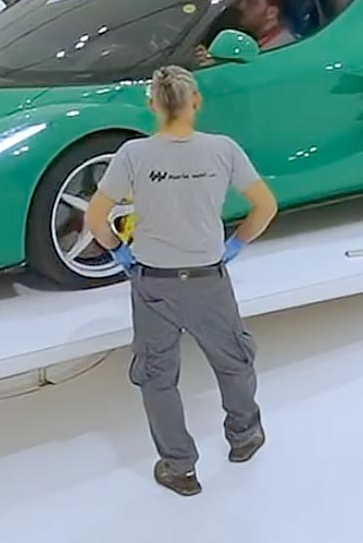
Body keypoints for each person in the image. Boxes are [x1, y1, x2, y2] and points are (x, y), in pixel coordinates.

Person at [85, 66, 279, 496]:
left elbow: (96, 218)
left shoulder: (134, 155)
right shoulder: (223, 149)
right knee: (233, 360)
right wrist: (236, 243)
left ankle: (179, 467)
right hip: (209, 279)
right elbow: (265, 207)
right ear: (196, 102)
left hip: (153, 283)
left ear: (152, 105)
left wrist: (118, 251)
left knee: (157, 376)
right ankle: (244, 435)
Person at [195, 0, 296, 65]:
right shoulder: (261, 38)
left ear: (271, 13)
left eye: (252, 3)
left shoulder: (279, 49)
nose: (242, 7)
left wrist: (214, 66)